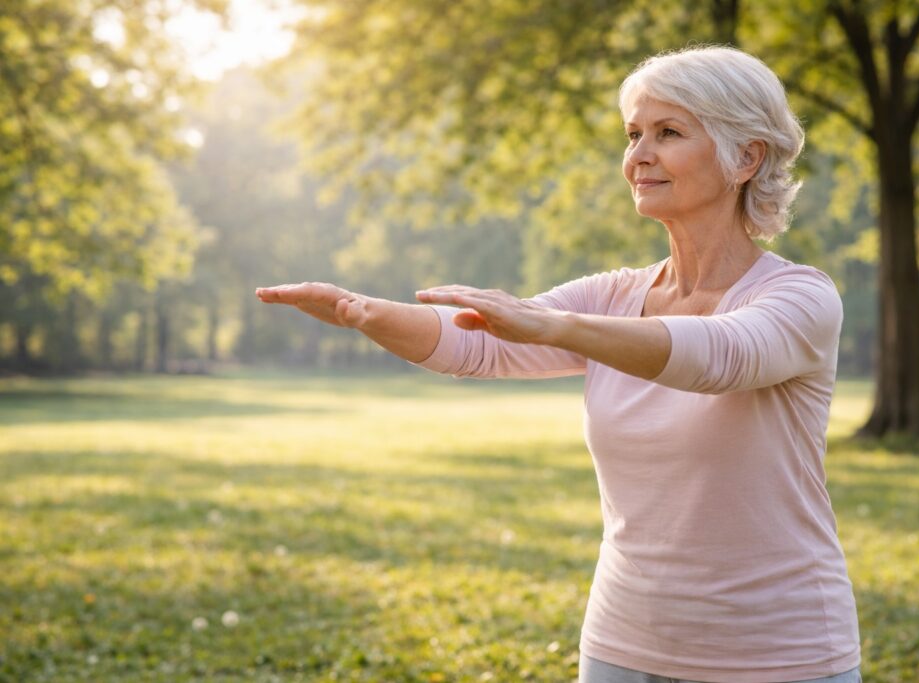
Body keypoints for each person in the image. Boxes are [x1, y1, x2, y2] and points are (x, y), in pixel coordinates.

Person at [256, 45, 861, 683]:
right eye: (633, 135)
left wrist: (557, 325)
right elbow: (479, 342)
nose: (638, 156)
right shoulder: (613, 297)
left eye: (669, 133)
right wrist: (361, 311)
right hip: (623, 643)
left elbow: (721, 357)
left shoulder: (800, 297)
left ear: (747, 156)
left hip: (777, 653)